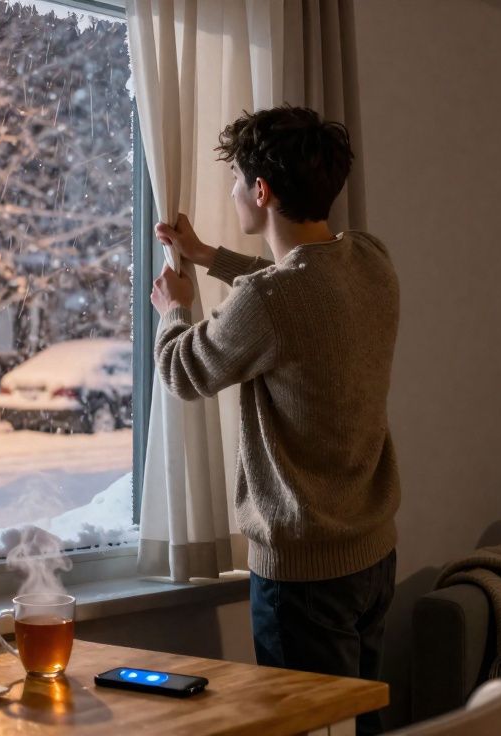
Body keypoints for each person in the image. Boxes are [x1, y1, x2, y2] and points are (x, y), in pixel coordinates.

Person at [150, 105, 399, 735]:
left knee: (305, 731)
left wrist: (175, 310)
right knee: (358, 725)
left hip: (304, 577)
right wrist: (208, 256)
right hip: (372, 553)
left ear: (261, 191)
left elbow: (185, 373)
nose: (233, 190)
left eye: (237, 179)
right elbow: (298, 285)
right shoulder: (369, 258)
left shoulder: (270, 301)